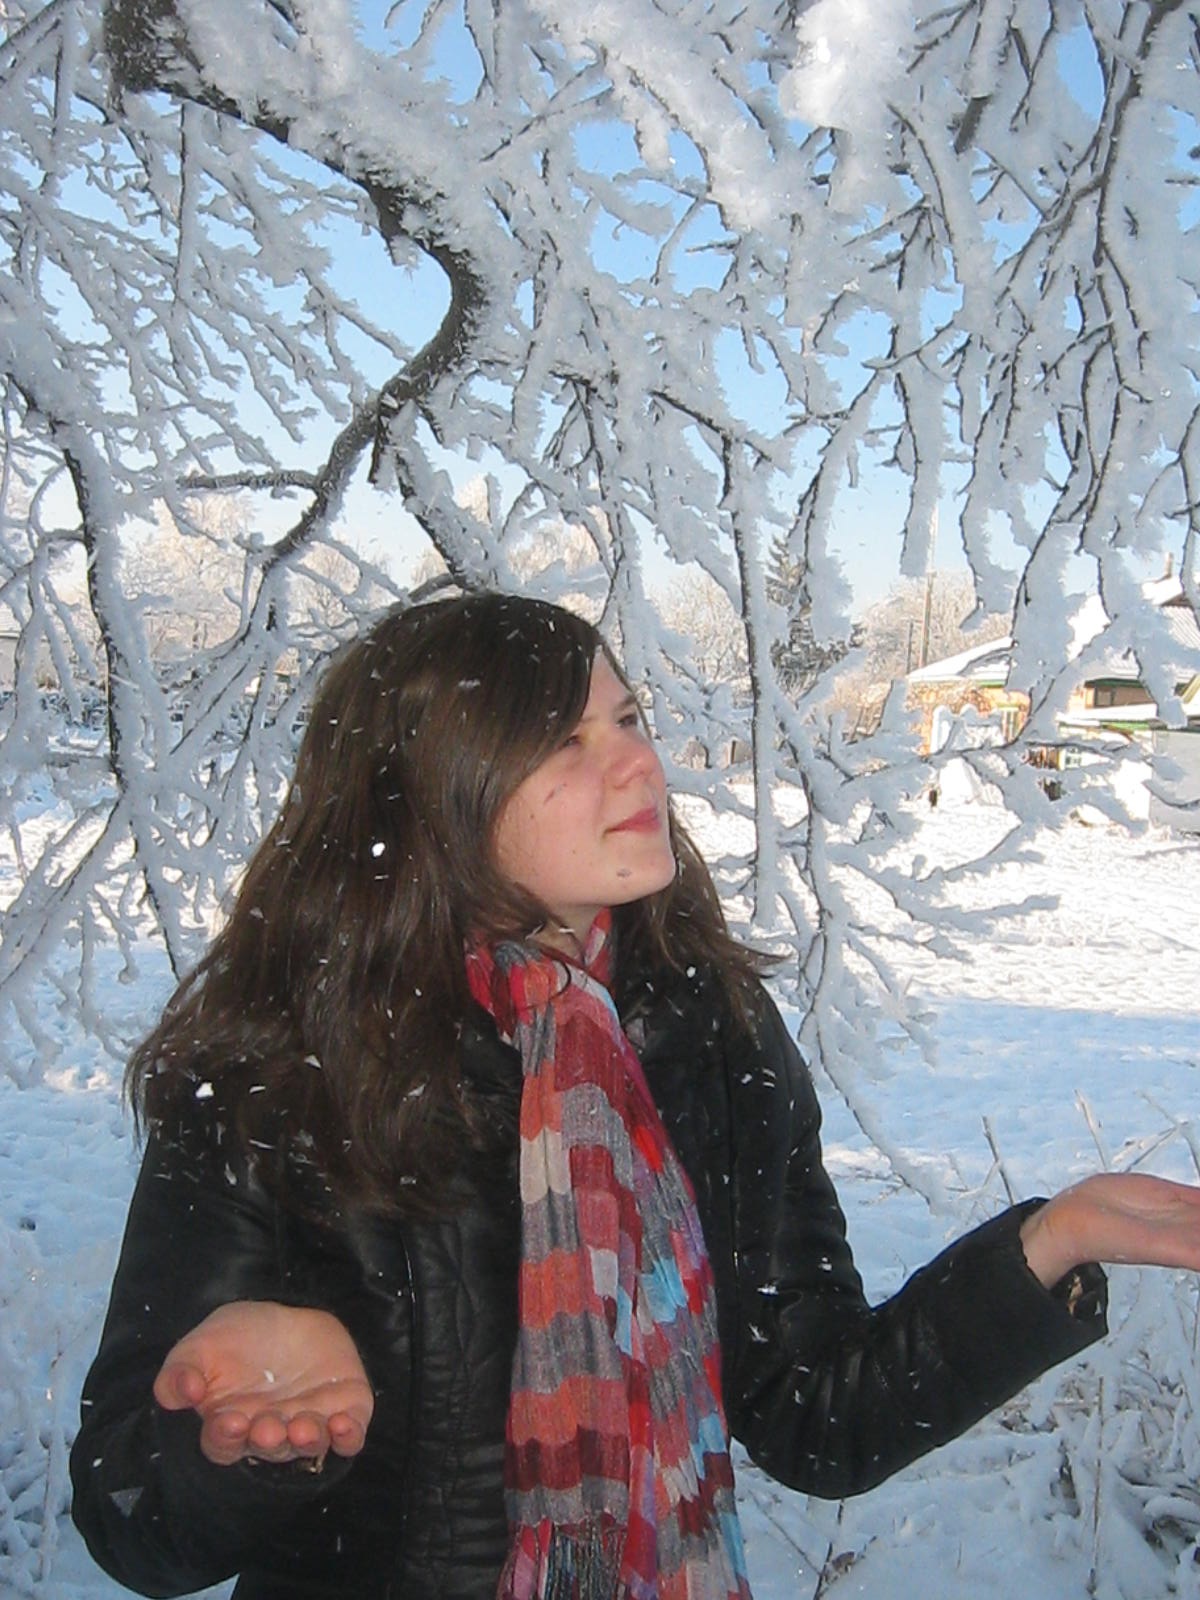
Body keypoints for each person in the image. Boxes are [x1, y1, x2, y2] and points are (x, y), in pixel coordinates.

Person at [70, 592, 1200, 1600]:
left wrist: (1049, 1245)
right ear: (430, 798)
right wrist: (245, 1437)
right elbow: (134, 1528)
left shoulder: (706, 1036)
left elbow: (817, 1412)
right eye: (564, 742)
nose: (639, 767)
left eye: (628, 719)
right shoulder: (286, 1071)